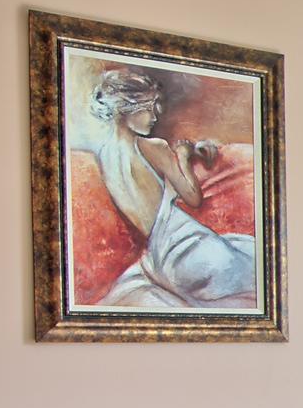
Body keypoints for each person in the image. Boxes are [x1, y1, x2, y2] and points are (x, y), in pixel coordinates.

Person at [84, 67, 259, 309]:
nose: (155, 116)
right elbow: (193, 198)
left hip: (162, 263)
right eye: (148, 108)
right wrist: (184, 156)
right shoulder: (154, 147)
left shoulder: (105, 155)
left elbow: (148, 201)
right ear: (127, 110)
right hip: (193, 249)